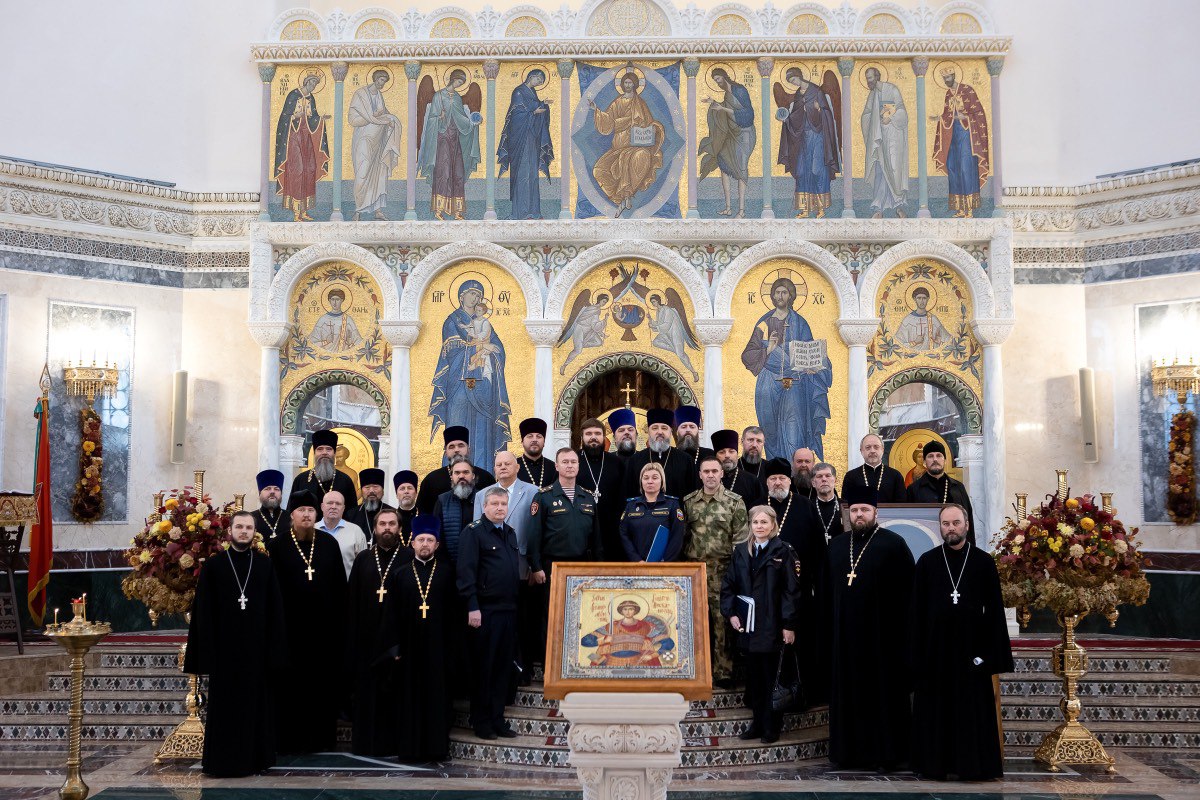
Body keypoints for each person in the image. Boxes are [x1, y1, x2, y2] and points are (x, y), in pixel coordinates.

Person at [910, 504, 1013, 781]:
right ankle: (934, 766)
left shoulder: (983, 561)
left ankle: (973, 767)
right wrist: (917, 655)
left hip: (972, 651)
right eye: (945, 524)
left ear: (966, 524)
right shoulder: (927, 562)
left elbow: (994, 611)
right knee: (936, 711)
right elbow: (916, 612)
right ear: (940, 527)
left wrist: (991, 655)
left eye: (956, 522)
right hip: (936, 652)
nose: (951, 528)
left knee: (971, 712)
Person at [821, 484, 915, 771]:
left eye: (865, 510)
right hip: (845, 640)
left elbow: (908, 594)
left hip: (882, 639)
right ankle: (847, 754)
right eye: (854, 510)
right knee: (847, 695)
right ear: (847, 513)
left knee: (882, 697)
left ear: (876, 512)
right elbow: (825, 593)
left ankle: (886, 756)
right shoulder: (837, 546)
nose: (859, 515)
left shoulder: (893, 544)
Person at [185, 511, 285, 777]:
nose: (244, 531)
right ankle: (223, 762)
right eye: (239, 527)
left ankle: (255, 760)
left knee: (255, 708)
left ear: (254, 532)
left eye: (248, 527)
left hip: (256, 650)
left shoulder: (264, 564)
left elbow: (275, 609)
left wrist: (275, 650)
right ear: (229, 531)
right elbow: (204, 612)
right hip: (224, 652)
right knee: (225, 710)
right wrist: (206, 654)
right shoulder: (214, 566)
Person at [267, 491, 347, 754]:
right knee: (291, 688)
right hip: (290, 633)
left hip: (324, 633)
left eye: (311, 511)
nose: (306, 515)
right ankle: (289, 741)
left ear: (317, 514)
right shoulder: (277, 546)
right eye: (301, 510)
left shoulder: (328, 544)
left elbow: (340, 587)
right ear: (292, 514)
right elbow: (271, 591)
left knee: (322, 687)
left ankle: (322, 740)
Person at [721, 505, 800, 744]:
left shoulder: (783, 551)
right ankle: (757, 723)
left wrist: (789, 624)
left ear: (773, 525)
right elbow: (728, 585)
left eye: (764, 522)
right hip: (748, 626)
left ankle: (771, 726)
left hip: (772, 625)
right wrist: (731, 614)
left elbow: (791, 591)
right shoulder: (740, 551)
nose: (759, 526)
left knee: (770, 677)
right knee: (754, 679)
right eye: (755, 522)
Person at [385, 514, 456, 761]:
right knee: (409, 698)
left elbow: (454, 615)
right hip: (409, 648)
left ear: (437, 545)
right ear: (412, 542)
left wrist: (451, 649)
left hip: (438, 648)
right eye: (421, 540)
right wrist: (394, 647)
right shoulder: (400, 574)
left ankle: (436, 749)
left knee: (437, 698)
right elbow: (391, 614)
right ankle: (410, 750)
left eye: (430, 540)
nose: (425, 544)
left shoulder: (447, 573)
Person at [741, 277, 833, 461]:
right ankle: (774, 471)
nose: (780, 296)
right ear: (772, 296)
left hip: (795, 384)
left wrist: (814, 366)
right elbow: (748, 355)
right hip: (768, 382)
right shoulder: (764, 323)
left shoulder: (800, 323)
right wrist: (768, 349)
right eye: (777, 292)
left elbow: (811, 350)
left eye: (784, 292)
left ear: (791, 296)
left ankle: (793, 472)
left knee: (794, 434)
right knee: (770, 432)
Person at [457, 485, 522, 739]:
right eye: (494, 504)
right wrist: (472, 606)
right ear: (484, 507)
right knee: (484, 668)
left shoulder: (510, 533)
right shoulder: (474, 532)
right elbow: (466, 573)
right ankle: (481, 721)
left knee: (503, 668)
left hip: (508, 611)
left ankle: (497, 719)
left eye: (503, 504)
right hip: (485, 611)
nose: (499, 508)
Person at [528, 449, 602, 655]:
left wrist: (599, 567)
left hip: (582, 565)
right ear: (557, 466)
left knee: (580, 614)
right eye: (565, 462)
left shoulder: (587, 497)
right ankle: (549, 661)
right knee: (552, 614)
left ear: (578, 466)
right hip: (553, 566)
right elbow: (534, 534)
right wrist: (536, 567)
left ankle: (576, 659)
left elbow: (596, 537)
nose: (570, 465)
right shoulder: (543, 496)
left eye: (573, 462)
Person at [683, 456, 749, 688]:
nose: (710, 475)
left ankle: (723, 672)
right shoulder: (689, 502)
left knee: (722, 622)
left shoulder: (734, 502)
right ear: (700, 475)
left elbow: (740, 541)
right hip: (694, 572)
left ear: (722, 474)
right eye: (706, 471)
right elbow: (683, 537)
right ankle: (695, 669)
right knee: (693, 622)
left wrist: (736, 575)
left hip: (723, 571)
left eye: (714, 471)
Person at [764, 457, 825, 703]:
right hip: (766, 589)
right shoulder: (758, 506)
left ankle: (801, 694)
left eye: (782, 478)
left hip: (800, 587)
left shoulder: (806, 506)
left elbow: (819, 548)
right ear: (767, 482)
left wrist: (816, 582)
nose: (778, 482)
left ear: (789, 481)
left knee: (801, 640)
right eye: (773, 478)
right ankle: (771, 694)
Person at [346, 508, 405, 756]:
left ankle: (392, 744)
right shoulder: (363, 559)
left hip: (396, 641)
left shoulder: (408, 557)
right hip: (366, 638)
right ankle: (365, 745)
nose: (387, 528)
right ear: (375, 528)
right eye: (382, 524)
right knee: (367, 693)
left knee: (394, 693)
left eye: (392, 524)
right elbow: (352, 600)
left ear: (399, 528)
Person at [474, 451, 537, 680]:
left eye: (507, 463)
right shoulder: (482, 494)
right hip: (491, 574)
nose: (502, 467)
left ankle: (524, 669)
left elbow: (536, 531)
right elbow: (477, 531)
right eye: (498, 464)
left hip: (522, 568)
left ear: (517, 467)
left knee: (523, 621)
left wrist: (534, 565)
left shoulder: (532, 491)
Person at [587, 70, 665, 217]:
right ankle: (619, 198)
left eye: (630, 82)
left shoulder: (640, 103)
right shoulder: (617, 102)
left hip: (637, 146)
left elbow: (649, 123)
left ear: (635, 84)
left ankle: (626, 195)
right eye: (626, 82)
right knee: (599, 169)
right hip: (618, 147)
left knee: (640, 158)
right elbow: (608, 122)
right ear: (622, 85)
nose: (628, 85)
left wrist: (653, 128)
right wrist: (596, 110)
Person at [418, 69, 482, 220]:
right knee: (443, 172)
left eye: (462, 83)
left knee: (458, 173)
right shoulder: (438, 96)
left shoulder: (458, 97)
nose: (459, 84)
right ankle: (438, 210)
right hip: (442, 140)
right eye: (458, 81)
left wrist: (473, 123)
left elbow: (462, 118)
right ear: (453, 79)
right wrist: (438, 116)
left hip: (455, 139)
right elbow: (431, 118)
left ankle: (457, 211)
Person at [777, 66, 840, 218]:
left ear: (799, 76)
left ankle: (821, 209)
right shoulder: (798, 96)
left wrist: (819, 109)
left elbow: (828, 114)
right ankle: (805, 209)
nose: (793, 83)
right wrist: (786, 119)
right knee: (802, 171)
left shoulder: (817, 92)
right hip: (803, 139)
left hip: (818, 137)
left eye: (793, 79)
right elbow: (795, 117)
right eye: (790, 82)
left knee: (817, 170)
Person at [933, 66, 990, 218]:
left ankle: (969, 209)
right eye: (944, 79)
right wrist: (939, 118)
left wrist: (965, 117)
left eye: (948, 77)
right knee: (953, 168)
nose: (946, 81)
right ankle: (959, 209)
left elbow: (979, 113)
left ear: (953, 76)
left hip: (967, 135)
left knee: (966, 168)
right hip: (953, 135)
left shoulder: (967, 90)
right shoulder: (948, 94)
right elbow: (948, 115)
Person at [497, 68, 553, 220]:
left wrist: (544, 105)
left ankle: (533, 212)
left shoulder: (532, 93)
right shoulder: (518, 92)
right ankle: (520, 213)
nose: (539, 83)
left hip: (532, 139)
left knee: (532, 175)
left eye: (541, 82)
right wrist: (534, 113)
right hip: (520, 141)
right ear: (531, 76)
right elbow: (516, 116)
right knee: (523, 175)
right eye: (538, 80)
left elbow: (534, 108)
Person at [699, 67, 755, 218]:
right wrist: (714, 103)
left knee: (741, 168)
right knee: (723, 163)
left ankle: (741, 211)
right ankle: (728, 208)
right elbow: (725, 110)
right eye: (715, 81)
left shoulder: (740, 91)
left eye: (718, 79)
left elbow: (748, 115)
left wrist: (722, 108)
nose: (717, 83)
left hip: (744, 134)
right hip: (731, 133)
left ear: (724, 77)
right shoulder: (727, 94)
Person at [273, 71, 330, 221]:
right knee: (297, 169)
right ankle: (296, 212)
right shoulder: (293, 95)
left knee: (309, 169)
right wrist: (293, 116)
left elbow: (313, 118)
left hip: (306, 138)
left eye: (315, 84)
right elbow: (283, 117)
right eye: (312, 83)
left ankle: (304, 210)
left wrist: (321, 119)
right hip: (293, 137)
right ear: (306, 82)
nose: (314, 86)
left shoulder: (311, 98)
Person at [348, 68, 402, 221]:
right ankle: (358, 211)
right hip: (364, 140)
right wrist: (372, 117)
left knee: (379, 174)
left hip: (378, 141)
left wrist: (389, 121)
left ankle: (378, 211)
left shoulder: (379, 96)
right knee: (362, 172)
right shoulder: (360, 95)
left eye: (385, 82)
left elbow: (384, 114)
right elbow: (352, 120)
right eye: (381, 80)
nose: (382, 84)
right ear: (375, 79)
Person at [860, 66, 909, 219]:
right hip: (879, 138)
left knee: (894, 170)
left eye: (870, 78)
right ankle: (878, 208)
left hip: (893, 137)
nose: (868, 81)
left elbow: (902, 111)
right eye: (867, 79)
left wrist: (891, 118)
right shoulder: (872, 95)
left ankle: (899, 206)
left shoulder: (892, 89)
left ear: (877, 77)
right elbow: (866, 114)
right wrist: (874, 122)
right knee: (880, 172)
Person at [576, 416, 627, 560]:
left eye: (597, 433)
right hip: (581, 527)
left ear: (604, 437)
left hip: (612, 528)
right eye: (588, 434)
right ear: (582, 438)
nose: (593, 437)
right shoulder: (573, 460)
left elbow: (623, 496)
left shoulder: (616, 462)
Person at [416, 426, 496, 514]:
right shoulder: (431, 480)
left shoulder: (485, 478)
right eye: (451, 447)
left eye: (461, 446)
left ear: (468, 450)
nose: (456, 450)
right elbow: (423, 514)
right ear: (446, 452)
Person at [621, 408, 697, 499]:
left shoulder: (686, 460)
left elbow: (693, 494)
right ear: (648, 432)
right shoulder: (634, 460)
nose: (660, 432)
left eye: (664, 428)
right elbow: (628, 495)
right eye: (655, 428)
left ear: (670, 432)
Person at [906, 441, 976, 538]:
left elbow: (968, 520)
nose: (935, 459)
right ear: (925, 462)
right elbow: (910, 524)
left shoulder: (958, 487)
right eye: (930, 456)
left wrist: (970, 546)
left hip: (955, 542)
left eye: (939, 455)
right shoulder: (913, 490)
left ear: (945, 460)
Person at [619, 462, 686, 563]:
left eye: (655, 478)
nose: (650, 481)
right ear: (641, 481)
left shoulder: (672, 504)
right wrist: (637, 559)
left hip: (664, 565)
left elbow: (677, 536)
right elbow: (624, 533)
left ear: (662, 480)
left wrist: (664, 561)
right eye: (646, 478)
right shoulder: (631, 505)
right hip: (637, 564)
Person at [291, 428, 360, 517]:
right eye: (320, 449)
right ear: (314, 453)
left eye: (328, 449)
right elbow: (292, 514)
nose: (324, 453)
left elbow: (352, 515)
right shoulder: (301, 480)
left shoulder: (345, 480)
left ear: (334, 453)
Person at [431, 459, 478, 562]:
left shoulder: (482, 499)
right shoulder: (442, 500)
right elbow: (436, 535)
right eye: (457, 473)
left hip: (477, 564)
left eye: (466, 472)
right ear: (451, 477)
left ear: (473, 476)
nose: (461, 476)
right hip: (448, 564)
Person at [842, 434, 906, 503]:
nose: (872, 451)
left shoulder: (895, 476)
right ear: (861, 451)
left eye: (876, 447)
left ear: (882, 450)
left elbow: (902, 505)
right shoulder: (851, 476)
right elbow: (846, 505)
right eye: (868, 447)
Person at [317, 490, 367, 579]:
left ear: (343, 508)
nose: (333, 507)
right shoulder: (312, 530)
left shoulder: (355, 531)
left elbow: (363, 565)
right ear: (322, 506)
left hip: (347, 586)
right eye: (330, 503)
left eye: (338, 504)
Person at [711, 428, 765, 510]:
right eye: (722, 452)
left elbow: (759, 511)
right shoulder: (707, 479)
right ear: (715, 456)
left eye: (731, 451)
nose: (727, 455)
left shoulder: (752, 481)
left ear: (737, 453)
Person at [895, 287, 950, 351]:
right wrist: (915, 342)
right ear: (914, 299)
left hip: (931, 355)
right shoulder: (907, 320)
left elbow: (948, 340)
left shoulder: (933, 320)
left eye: (924, 298)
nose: (921, 301)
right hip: (911, 355)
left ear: (928, 299)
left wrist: (940, 342)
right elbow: (897, 344)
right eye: (919, 298)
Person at [348, 468, 394, 544]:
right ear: (361, 491)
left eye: (375, 487)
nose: (371, 491)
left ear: (383, 491)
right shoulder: (351, 515)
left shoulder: (393, 513)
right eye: (367, 487)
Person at [516, 417, 558, 488]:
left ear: (544, 442)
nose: (534, 440)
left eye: (539, 436)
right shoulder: (512, 467)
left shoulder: (554, 468)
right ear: (522, 442)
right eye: (530, 436)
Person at [252, 469, 290, 541]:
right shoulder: (251, 518)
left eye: (276, 489)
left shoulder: (291, 517)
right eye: (267, 489)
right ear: (260, 493)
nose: (272, 492)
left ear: (281, 493)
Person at [674, 405, 714, 471]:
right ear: (677, 431)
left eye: (692, 427)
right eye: (684, 427)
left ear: (697, 430)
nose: (688, 430)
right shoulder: (671, 455)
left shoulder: (709, 454)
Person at [811, 462, 845, 541]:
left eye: (828, 476)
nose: (824, 479)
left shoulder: (846, 506)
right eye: (819, 476)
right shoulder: (807, 507)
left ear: (835, 480)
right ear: (813, 483)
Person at [392, 470, 420, 550]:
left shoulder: (425, 517)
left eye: (410, 488)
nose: (406, 491)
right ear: (397, 494)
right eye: (402, 489)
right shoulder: (391, 519)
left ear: (416, 493)